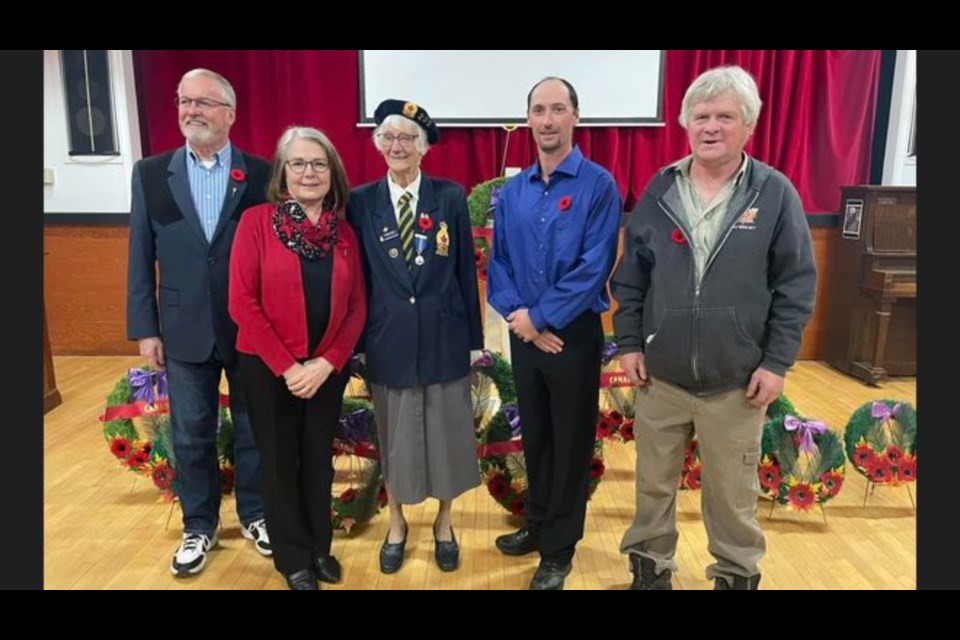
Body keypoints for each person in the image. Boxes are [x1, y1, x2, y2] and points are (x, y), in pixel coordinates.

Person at [611, 65, 816, 591]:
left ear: (748, 125)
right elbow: (630, 280)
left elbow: (796, 286)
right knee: (653, 487)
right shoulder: (660, 190)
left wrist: (776, 363)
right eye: (701, 116)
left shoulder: (774, 193)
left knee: (731, 491)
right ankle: (650, 568)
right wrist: (630, 343)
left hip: (737, 379)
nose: (711, 127)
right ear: (685, 124)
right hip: (662, 376)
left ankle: (735, 574)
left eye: (725, 116)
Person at [127, 68, 271, 577]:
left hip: (251, 329)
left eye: (204, 103)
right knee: (190, 433)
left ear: (229, 114)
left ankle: (255, 514)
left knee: (256, 428)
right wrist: (146, 329)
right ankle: (199, 525)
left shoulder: (261, 173)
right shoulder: (150, 174)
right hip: (182, 329)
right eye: (184, 101)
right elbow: (140, 255)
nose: (192, 110)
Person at [487, 77, 622, 590]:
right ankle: (537, 522)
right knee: (537, 434)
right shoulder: (513, 191)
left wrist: (540, 319)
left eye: (557, 109)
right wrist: (522, 320)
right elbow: (498, 263)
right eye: (538, 110)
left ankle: (559, 549)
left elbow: (593, 266)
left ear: (575, 117)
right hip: (526, 334)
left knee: (570, 442)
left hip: (572, 336)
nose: (547, 119)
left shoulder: (598, 185)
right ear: (528, 119)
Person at [346, 99, 483, 574]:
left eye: (408, 138)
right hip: (388, 338)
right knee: (396, 433)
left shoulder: (448, 196)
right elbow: (357, 276)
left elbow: (464, 269)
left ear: (424, 148)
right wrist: (359, 341)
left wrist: (473, 338)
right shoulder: (361, 201)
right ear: (378, 144)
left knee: (447, 431)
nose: (398, 145)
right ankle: (398, 523)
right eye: (389, 137)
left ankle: (445, 522)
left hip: (445, 336)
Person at [228, 126, 366, 590]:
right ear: (282, 173)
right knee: (280, 461)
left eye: (319, 164)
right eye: (299, 163)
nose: (309, 172)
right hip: (270, 370)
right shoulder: (255, 223)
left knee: (317, 459)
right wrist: (290, 368)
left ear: (333, 173)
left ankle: (319, 547)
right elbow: (241, 303)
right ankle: (292, 557)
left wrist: (327, 363)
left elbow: (356, 307)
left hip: (326, 370)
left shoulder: (344, 232)